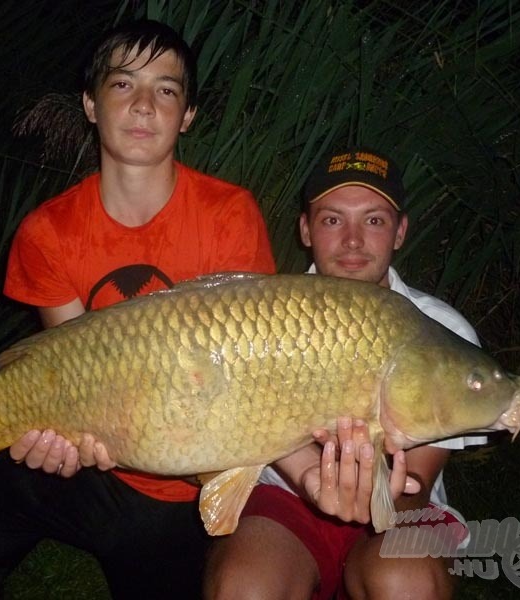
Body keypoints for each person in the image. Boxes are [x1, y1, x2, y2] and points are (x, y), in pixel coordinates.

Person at [0, 19, 275, 600]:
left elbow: (238, 378)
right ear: (91, 104)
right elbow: (75, 367)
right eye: (123, 85)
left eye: (167, 89)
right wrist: (64, 434)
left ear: (188, 115)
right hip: (92, 453)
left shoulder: (229, 213)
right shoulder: (47, 231)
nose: (145, 105)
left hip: (176, 483)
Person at [203, 147, 486, 600]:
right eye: (333, 219)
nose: (353, 240)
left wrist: (372, 495)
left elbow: (414, 482)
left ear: (400, 232)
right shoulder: (259, 317)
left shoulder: (441, 330)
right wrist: (310, 480)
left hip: (399, 505)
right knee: (245, 589)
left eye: (373, 220)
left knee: (404, 579)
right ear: (305, 229)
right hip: (285, 498)